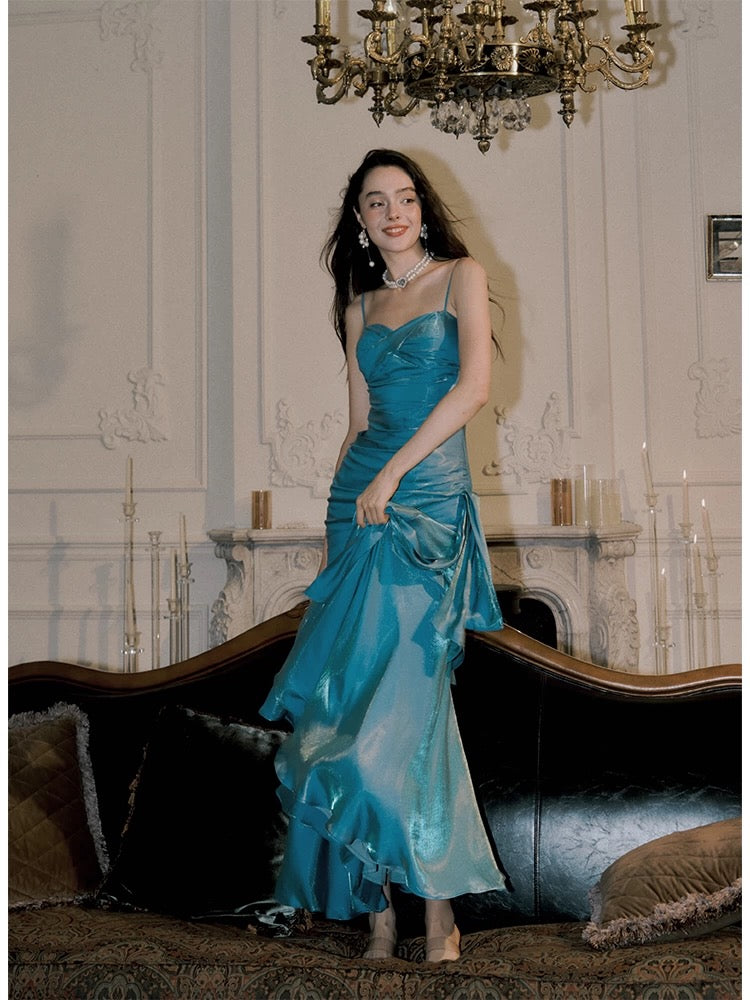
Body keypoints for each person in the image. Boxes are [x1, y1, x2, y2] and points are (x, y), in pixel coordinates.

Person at [260, 148, 505, 962]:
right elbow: (359, 424)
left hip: (425, 503)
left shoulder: (462, 276)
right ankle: (380, 916)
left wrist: (395, 474)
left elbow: (472, 389)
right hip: (359, 507)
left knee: (410, 715)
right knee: (344, 714)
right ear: (360, 221)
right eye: (375, 202)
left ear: (423, 209)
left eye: (404, 198)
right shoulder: (360, 305)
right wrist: (334, 533)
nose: (393, 212)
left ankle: (438, 915)